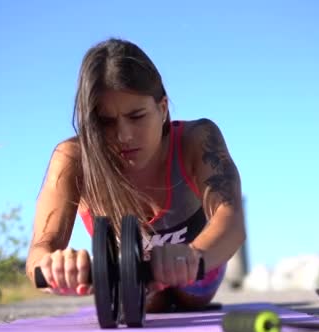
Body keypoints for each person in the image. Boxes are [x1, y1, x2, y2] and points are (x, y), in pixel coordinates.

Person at [25, 37, 246, 312]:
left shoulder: (197, 140)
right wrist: (55, 267)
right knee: (146, 300)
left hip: (197, 273)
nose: (123, 135)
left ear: (162, 108)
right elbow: (39, 253)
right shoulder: (72, 158)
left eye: (137, 116)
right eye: (105, 122)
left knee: (191, 297)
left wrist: (192, 255)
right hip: (131, 281)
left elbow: (232, 222)